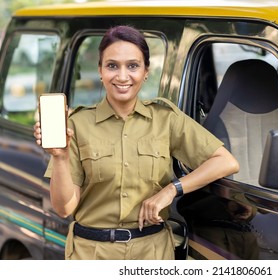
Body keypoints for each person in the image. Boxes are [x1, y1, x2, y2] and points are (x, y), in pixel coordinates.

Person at [33, 25, 239, 260]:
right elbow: (64, 208)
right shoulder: (77, 124)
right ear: (100, 70)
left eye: (132, 66)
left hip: (152, 253)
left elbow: (225, 162)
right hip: (92, 254)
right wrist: (60, 158)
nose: (122, 76)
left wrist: (172, 190)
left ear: (146, 71)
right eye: (112, 66)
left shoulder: (165, 119)